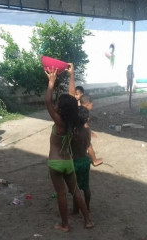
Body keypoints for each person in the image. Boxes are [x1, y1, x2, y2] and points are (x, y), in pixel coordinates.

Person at [45, 64, 93, 232]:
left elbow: (47, 101)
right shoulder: (74, 122)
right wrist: (71, 76)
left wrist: (52, 82)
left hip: (56, 164)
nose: (56, 104)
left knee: (61, 194)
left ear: (60, 108)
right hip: (68, 163)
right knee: (76, 192)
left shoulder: (58, 122)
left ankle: (65, 224)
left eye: (58, 103)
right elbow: (71, 99)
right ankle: (87, 220)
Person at [72, 106, 92, 213]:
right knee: (86, 186)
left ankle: (76, 210)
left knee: (76, 189)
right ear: (86, 118)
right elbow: (88, 144)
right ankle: (87, 207)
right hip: (85, 160)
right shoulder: (88, 131)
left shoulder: (74, 132)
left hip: (75, 162)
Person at [80, 95, 103, 166]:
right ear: (87, 104)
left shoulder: (78, 108)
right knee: (89, 145)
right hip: (82, 132)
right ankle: (95, 161)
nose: (92, 107)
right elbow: (84, 124)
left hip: (75, 132)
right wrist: (89, 132)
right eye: (91, 105)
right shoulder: (85, 111)